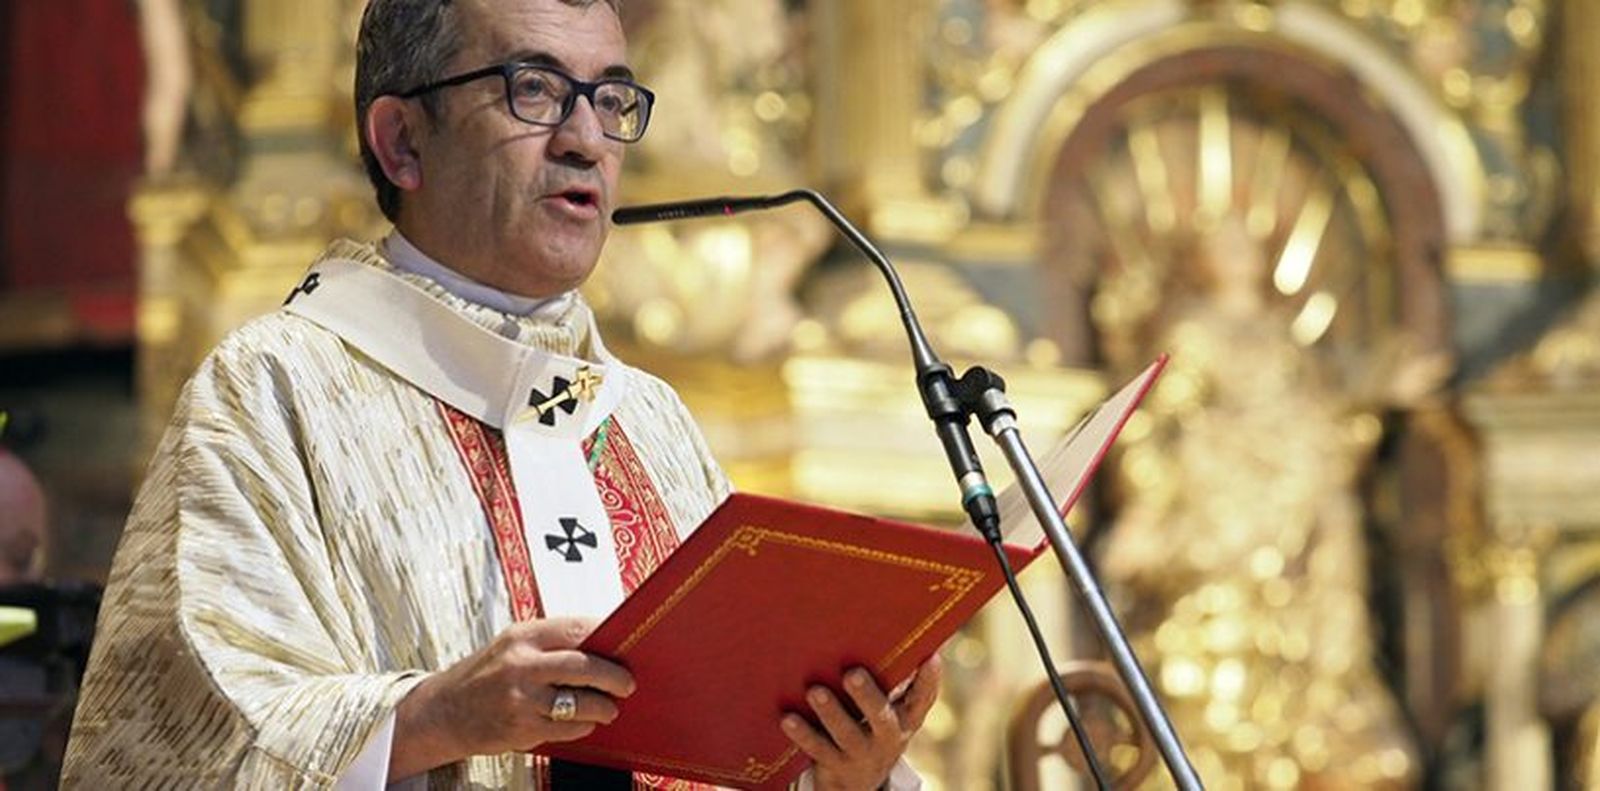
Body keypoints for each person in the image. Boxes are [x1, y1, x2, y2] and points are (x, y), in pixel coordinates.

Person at [60, 0, 937, 787]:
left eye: (610, 98)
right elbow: (170, 745)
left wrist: (840, 774)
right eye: (535, 90)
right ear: (402, 142)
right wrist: (434, 717)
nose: (586, 139)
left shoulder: (649, 419)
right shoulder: (274, 388)